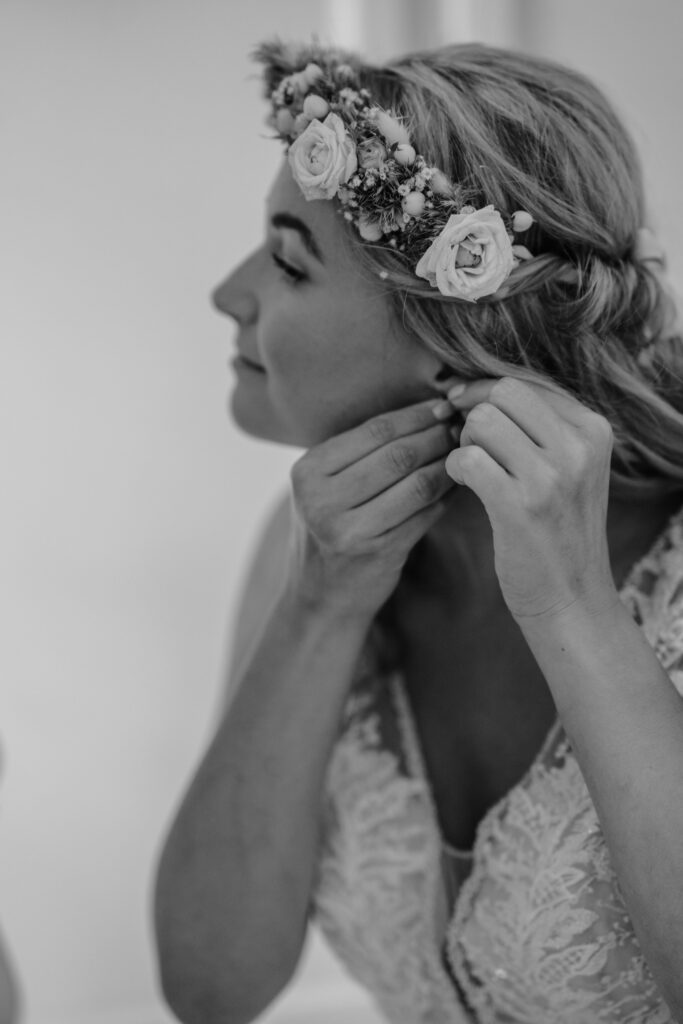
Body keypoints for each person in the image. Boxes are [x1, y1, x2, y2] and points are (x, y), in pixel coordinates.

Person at [153, 39, 683, 1024]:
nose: (229, 294)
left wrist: (572, 613)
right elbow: (210, 988)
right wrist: (318, 607)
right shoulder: (308, 541)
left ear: (460, 349)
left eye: (286, 261)